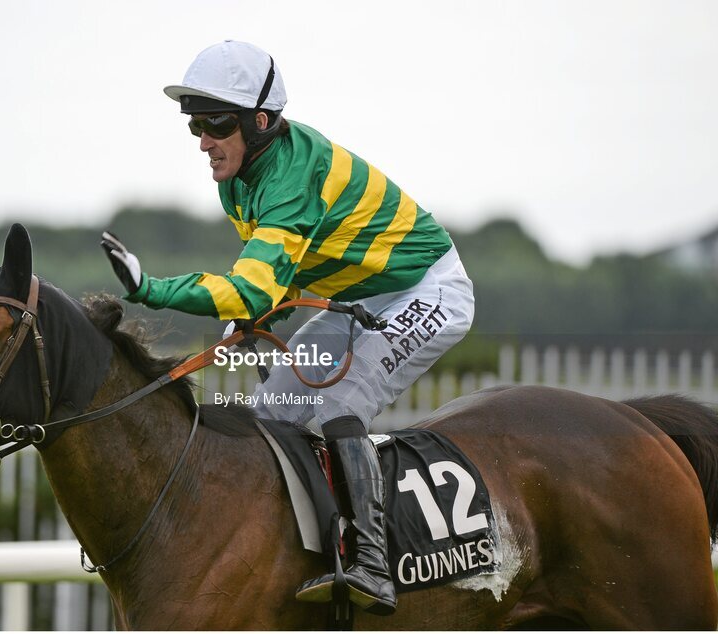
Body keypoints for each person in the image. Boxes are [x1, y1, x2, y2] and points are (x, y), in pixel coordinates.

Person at [101, 40, 474, 616]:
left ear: (262, 120)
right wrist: (243, 324)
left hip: (429, 291)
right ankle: (300, 551)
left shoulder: (292, 177)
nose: (203, 140)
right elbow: (270, 280)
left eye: (216, 123)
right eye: (194, 123)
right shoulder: (237, 176)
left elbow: (253, 287)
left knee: (335, 406)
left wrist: (149, 288)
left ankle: (371, 564)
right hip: (355, 299)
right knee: (272, 411)